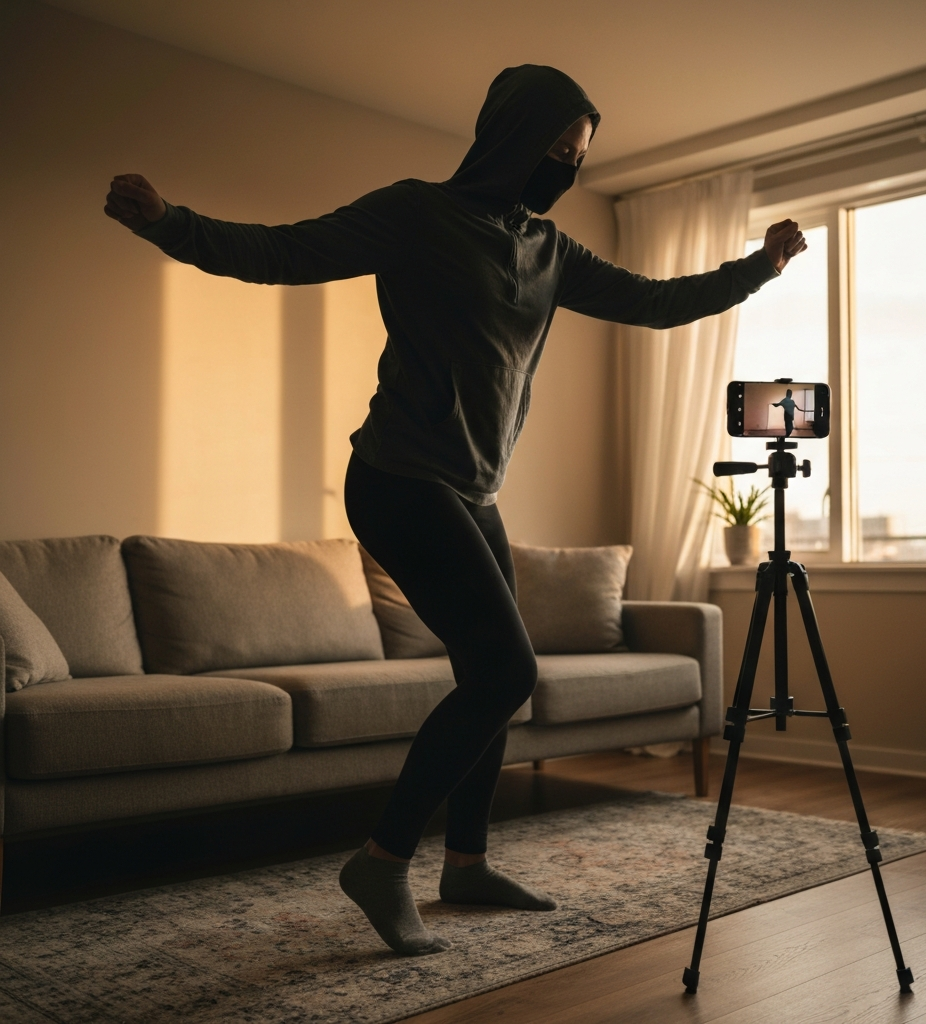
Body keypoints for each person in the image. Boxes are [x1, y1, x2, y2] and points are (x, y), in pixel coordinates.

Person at [104, 64, 806, 957]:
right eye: (556, 148)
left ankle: (466, 865)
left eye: (578, 157)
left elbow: (659, 305)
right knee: (506, 672)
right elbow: (283, 252)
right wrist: (170, 225)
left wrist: (762, 265)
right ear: (510, 138)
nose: (565, 167)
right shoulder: (418, 214)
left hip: (473, 492)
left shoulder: (550, 251)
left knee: (493, 681)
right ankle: (382, 861)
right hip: (398, 478)